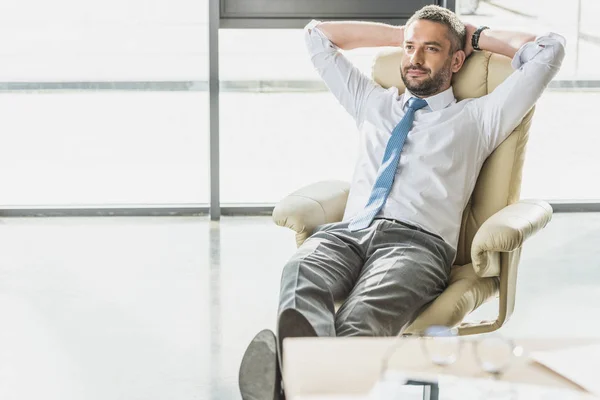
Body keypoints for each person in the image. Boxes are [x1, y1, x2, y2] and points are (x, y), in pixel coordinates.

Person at [238, 5, 565, 400]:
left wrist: (472, 35)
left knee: (361, 319)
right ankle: (308, 383)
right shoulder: (373, 103)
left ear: (456, 59)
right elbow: (316, 36)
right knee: (301, 271)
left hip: (415, 246)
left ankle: (294, 384)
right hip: (346, 234)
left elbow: (550, 49)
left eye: (431, 49)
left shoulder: (479, 118)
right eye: (410, 48)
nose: (414, 58)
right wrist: (403, 35)